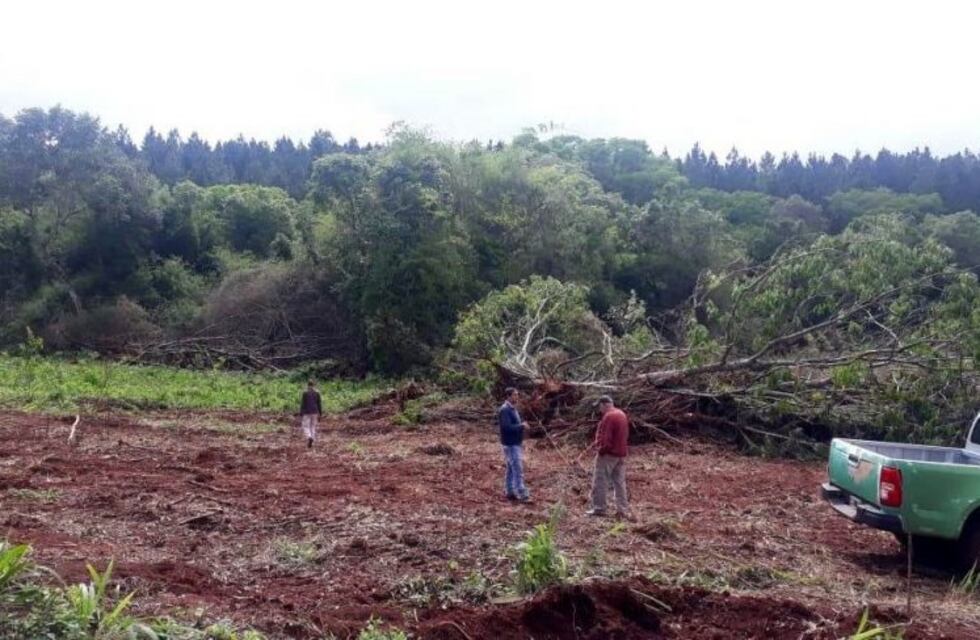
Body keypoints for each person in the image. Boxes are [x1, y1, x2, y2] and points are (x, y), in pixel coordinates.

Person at [585, 395, 631, 518]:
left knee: (600, 480)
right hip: (621, 454)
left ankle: (599, 508)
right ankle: (622, 509)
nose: (599, 409)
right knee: (619, 483)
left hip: (609, 455)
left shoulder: (609, 417)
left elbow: (606, 439)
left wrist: (600, 451)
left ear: (604, 405)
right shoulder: (621, 414)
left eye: (599, 406)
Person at [498, 387, 531, 503]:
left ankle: (510, 491)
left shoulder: (513, 409)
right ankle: (522, 494)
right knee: (517, 468)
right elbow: (506, 428)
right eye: (515, 395)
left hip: (515, 443)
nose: (517, 397)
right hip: (510, 444)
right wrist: (521, 426)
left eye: (517, 395)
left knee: (511, 469)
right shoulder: (505, 410)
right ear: (508, 396)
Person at [299, 380, 323, 449]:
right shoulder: (317, 393)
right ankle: (312, 439)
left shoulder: (305, 393)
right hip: (315, 411)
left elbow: (303, 404)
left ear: (308, 385)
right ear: (314, 385)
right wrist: (320, 413)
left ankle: (309, 437)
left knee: (305, 426)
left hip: (307, 412)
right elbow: (319, 403)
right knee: (313, 426)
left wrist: (301, 413)